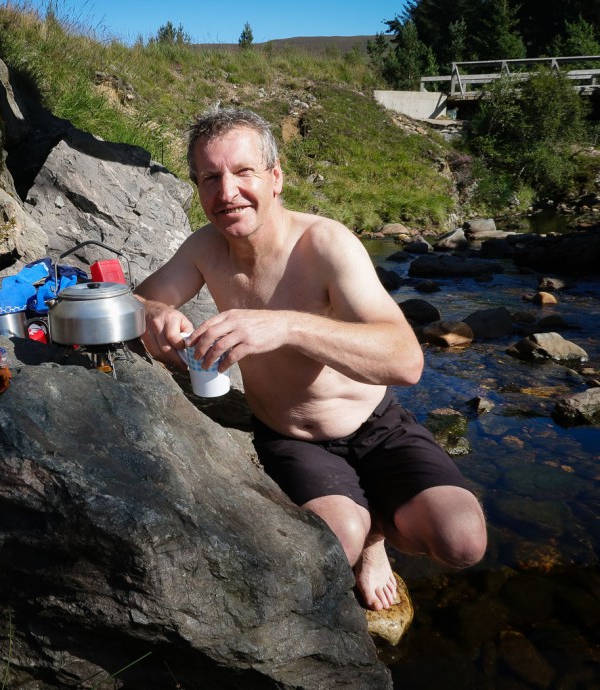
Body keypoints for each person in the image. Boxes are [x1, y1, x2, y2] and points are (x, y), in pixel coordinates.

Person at [134, 106, 487, 611]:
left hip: (378, 426)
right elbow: (137, 300)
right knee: (337, 543)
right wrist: (155, 314)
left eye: (244, 172)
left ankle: (379, 537)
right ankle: (364, 537)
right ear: (197, 187)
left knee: (461, 540)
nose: (227, 192)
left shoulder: (325, 243)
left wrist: (286, 325)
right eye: (210, 177)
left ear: (276, 178)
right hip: (291, 437)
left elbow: (406, 361)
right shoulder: (204, 248)